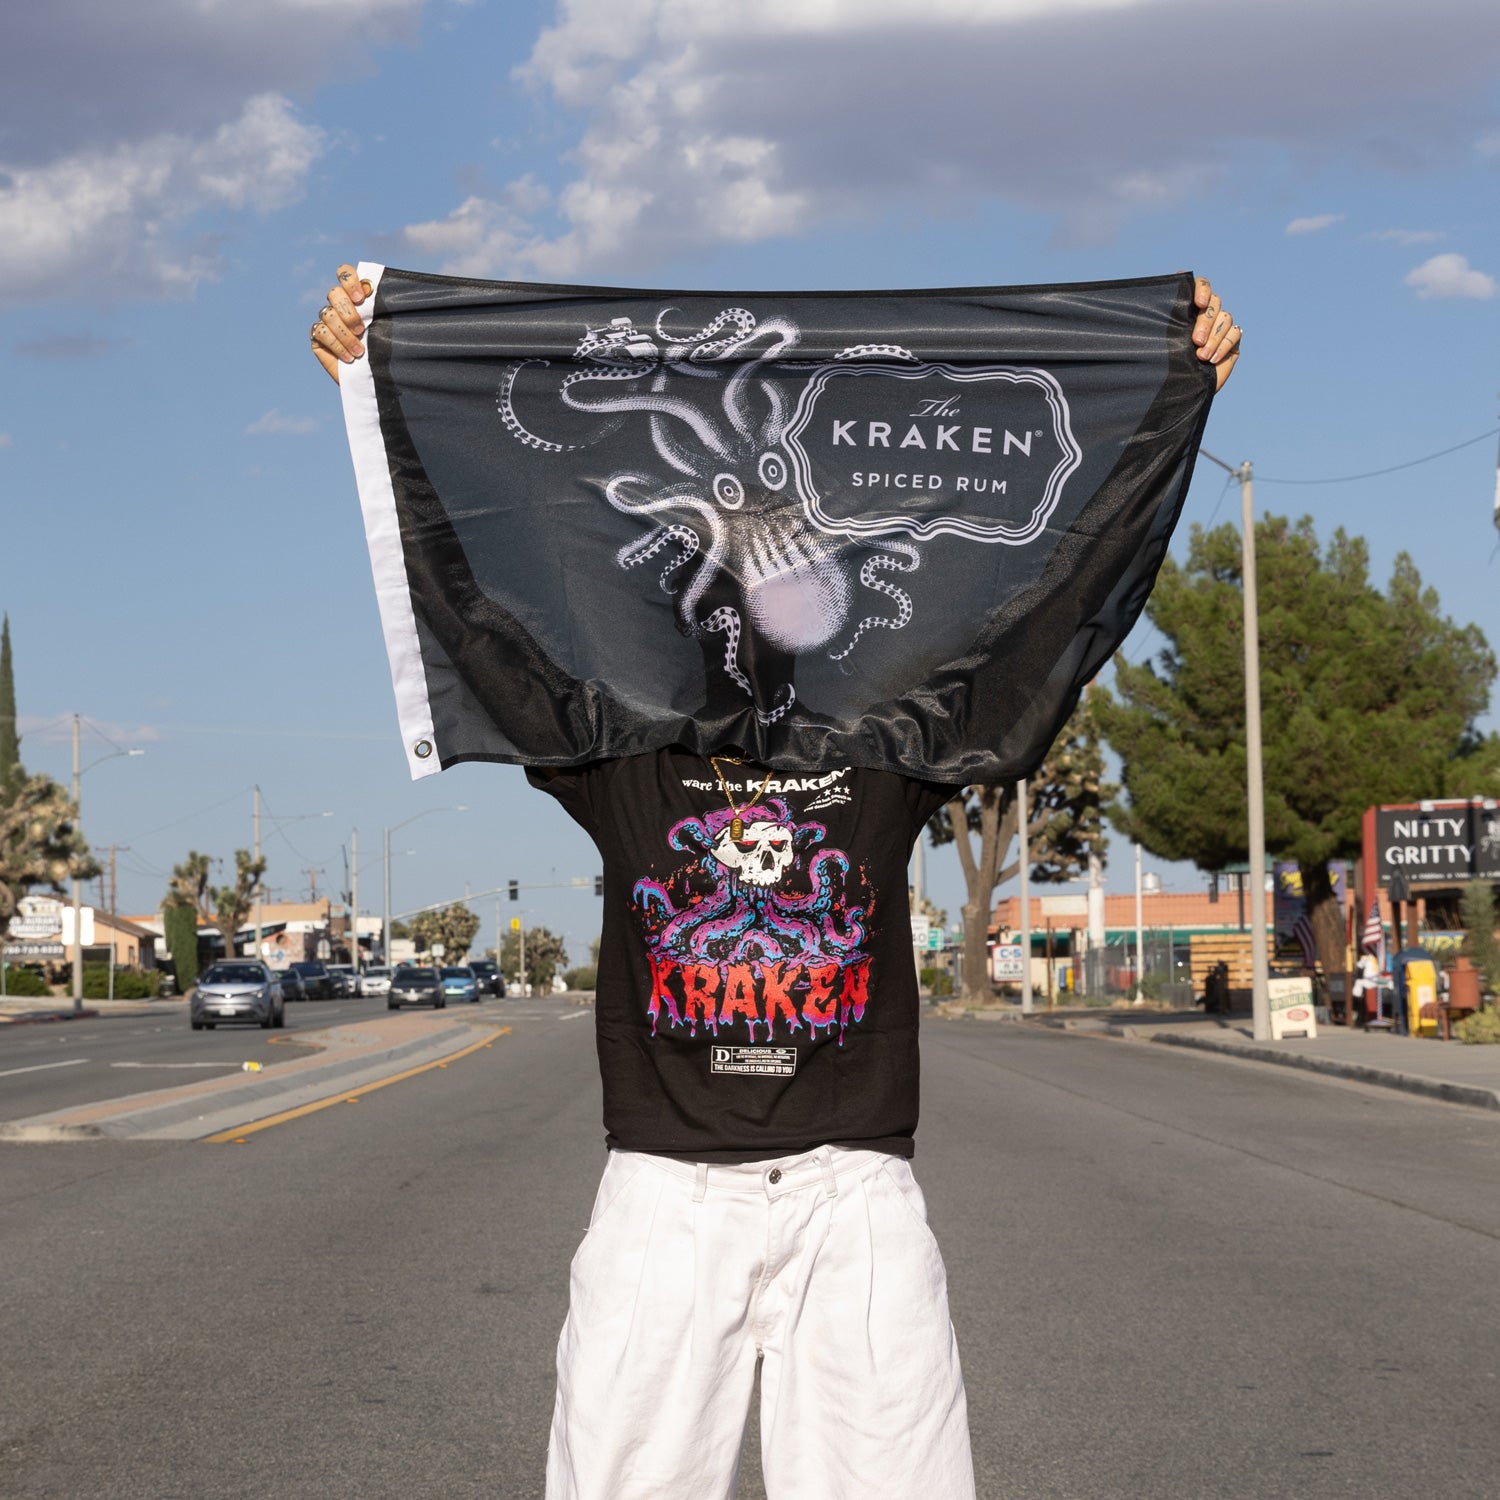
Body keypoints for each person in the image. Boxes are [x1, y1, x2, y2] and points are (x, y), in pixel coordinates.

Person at [312, 266, 1241, 1500]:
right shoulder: (624, 762)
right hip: (663, 1199)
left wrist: (1176, 398)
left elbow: (1057, 600)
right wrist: (377, 397)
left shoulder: (889, 757)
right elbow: (477, 609)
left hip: (855, 1195)